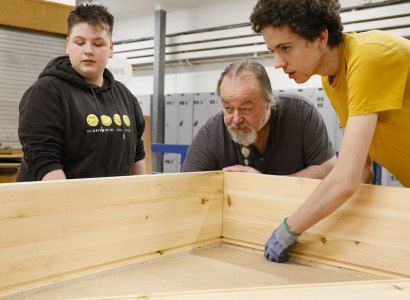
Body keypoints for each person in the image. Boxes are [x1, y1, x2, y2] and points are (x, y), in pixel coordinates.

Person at [250, 0, 410, 263]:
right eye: (273, 51)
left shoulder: (369, 56)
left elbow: (346, 179)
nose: (277, 62)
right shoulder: (331, 79)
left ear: (321, 37)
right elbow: (362, 170)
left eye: (285, 48)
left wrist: (290, 228)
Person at [17, 4, 146, 181]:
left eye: (98, 44)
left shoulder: (125, 96)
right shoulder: (45, 93)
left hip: (111, 204)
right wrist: (73, 207)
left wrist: (140, 199)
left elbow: (137, 152)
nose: (88, 50)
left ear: (111, 48)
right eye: (80, 42)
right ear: (68, 44)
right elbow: (44, 159)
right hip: (56, 204)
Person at [182, 60, 336, 179]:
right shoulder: (210, 134)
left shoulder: (301, 113)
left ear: (269, 102)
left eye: (246, 109)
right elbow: (187, 185)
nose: (236, 119)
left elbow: (328, 169)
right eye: (228, 108)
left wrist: (264, 183)